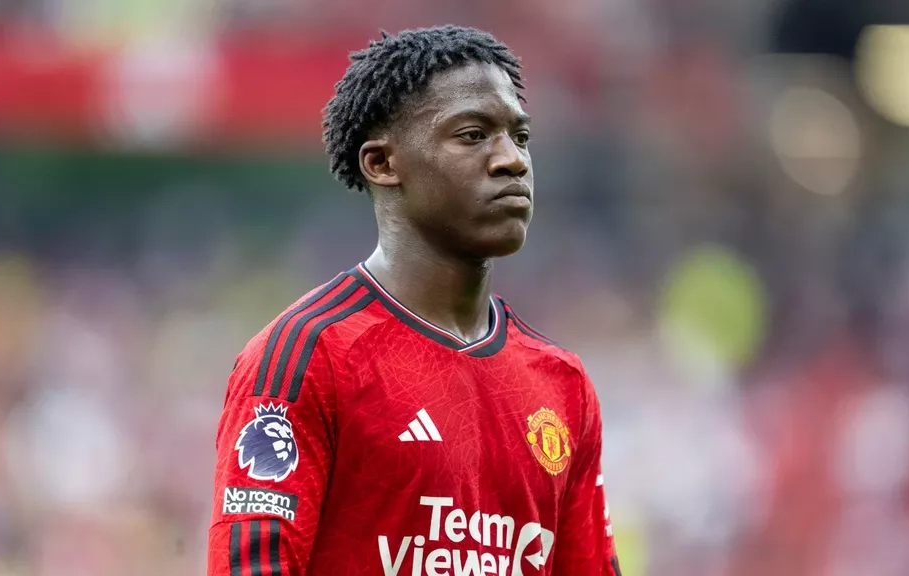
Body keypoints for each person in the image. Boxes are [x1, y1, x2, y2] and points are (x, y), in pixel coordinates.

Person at [208, 25, 621, 575]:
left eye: (520, 137)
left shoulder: (562, 384)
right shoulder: (309, 357)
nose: (513, 160)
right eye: (473, 135)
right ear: (382, 163)